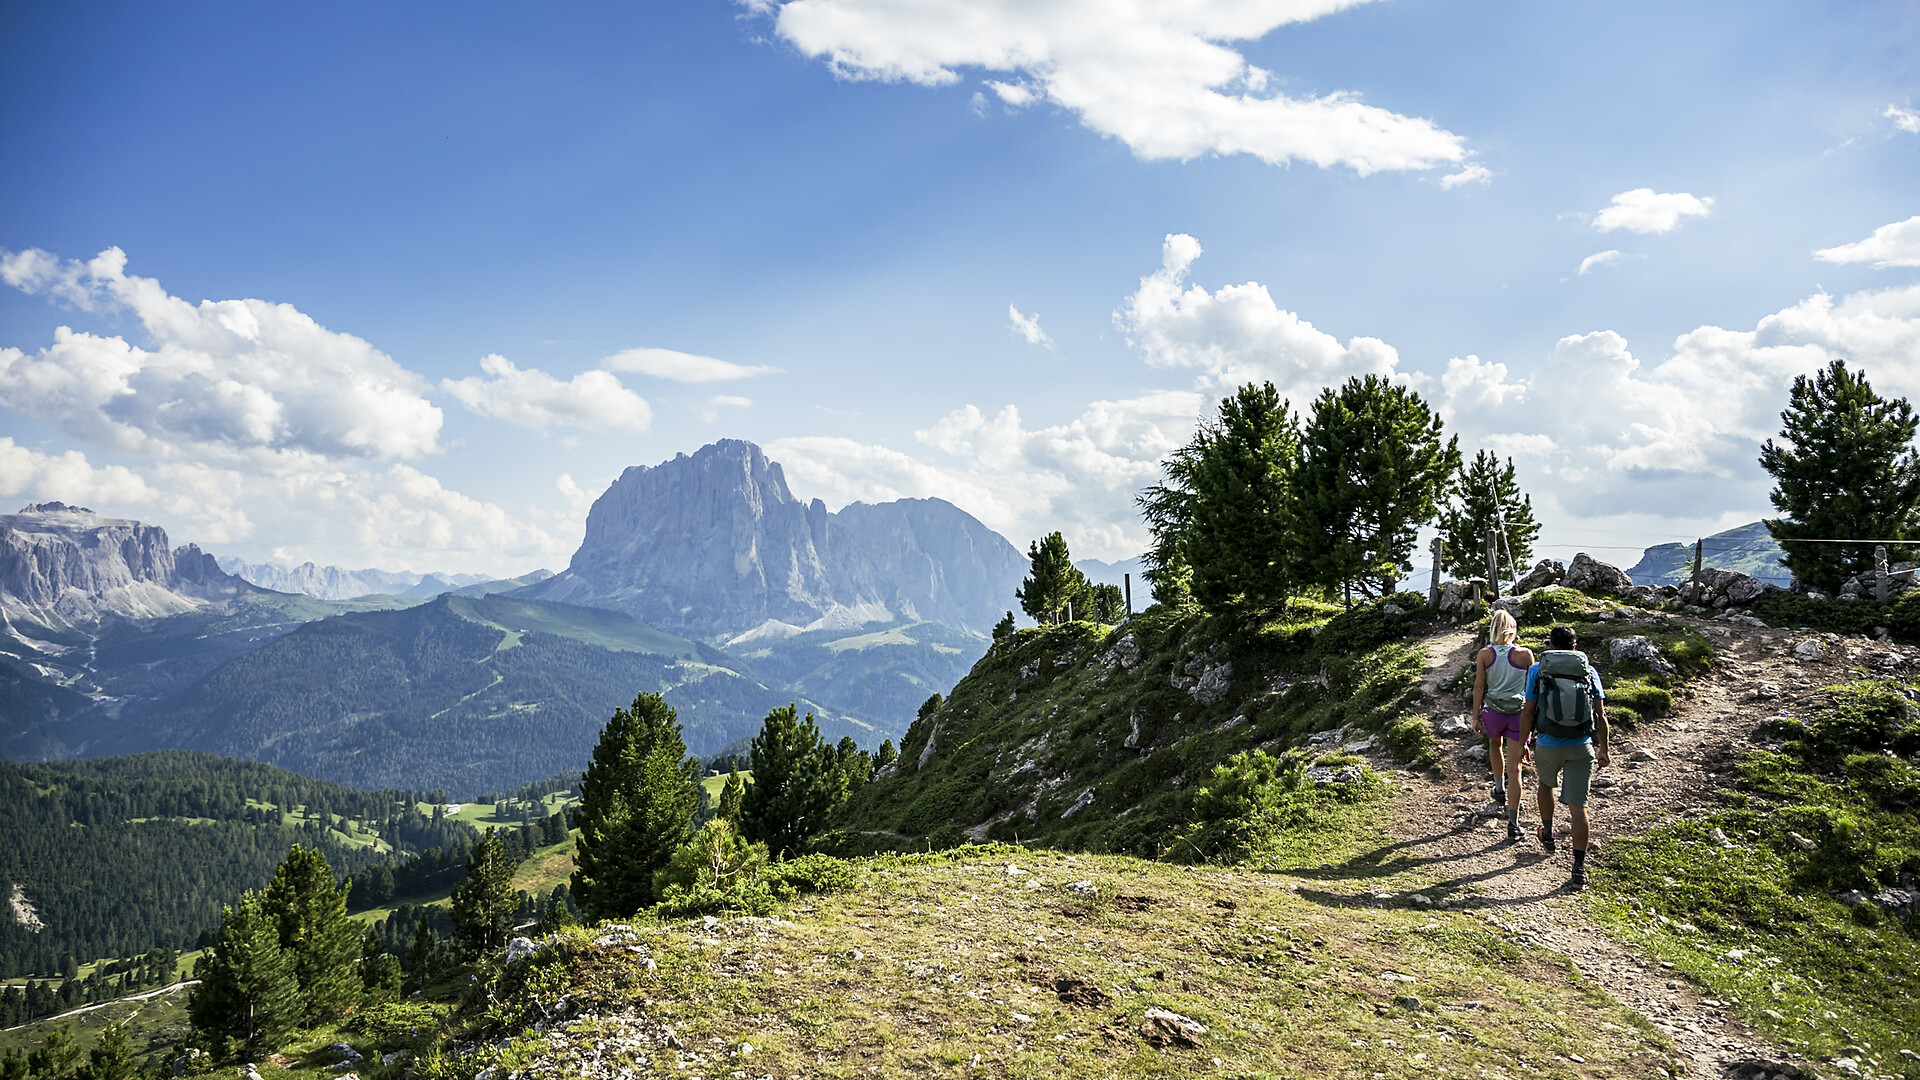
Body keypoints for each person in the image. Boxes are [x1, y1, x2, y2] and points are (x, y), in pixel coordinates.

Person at [1519, 625, 1611, 888]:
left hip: (1548, 743)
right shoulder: (1588, 670)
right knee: (1578, 807)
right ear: (1574, 646)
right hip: (1581, 746)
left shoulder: (1538, 669)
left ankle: (1547, 832)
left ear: (1550, 645)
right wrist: (1603, 748)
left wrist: (1525, 742)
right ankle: (1579, 869)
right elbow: (1600, 715)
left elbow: (1528, 712)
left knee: (1545, 785)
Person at [1470, 609, 1534, 841]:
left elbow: (1479, 686)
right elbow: (1532, 689)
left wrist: (1475, 716)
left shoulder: (1485, 654)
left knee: (1494, 745)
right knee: (1515, 768)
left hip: (1493, 711)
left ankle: (1498, 789)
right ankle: (1513, 823)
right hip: (1518, 714)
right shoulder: (1526, 655)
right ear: (1513, 628)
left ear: (1493, 628)